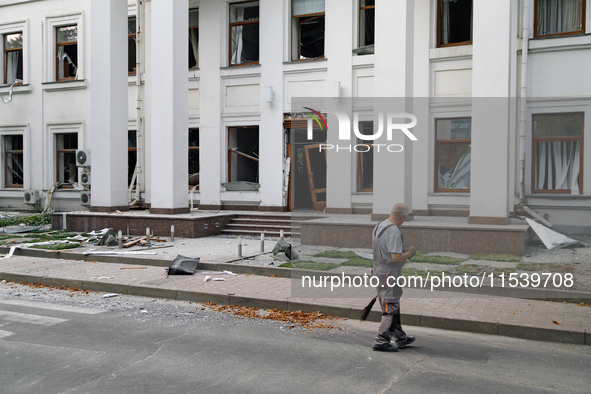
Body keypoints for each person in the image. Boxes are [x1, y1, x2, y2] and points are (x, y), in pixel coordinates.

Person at [371, 203, 416, 352]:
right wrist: (410, 254)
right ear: (402, 217)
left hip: (379, 269)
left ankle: (401, 338)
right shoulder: (393, 230)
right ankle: (381, 341)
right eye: (405, 218)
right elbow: (396, 257)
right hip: (389, 273)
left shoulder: (380, 225)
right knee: (390, 307)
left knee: (391, 305)